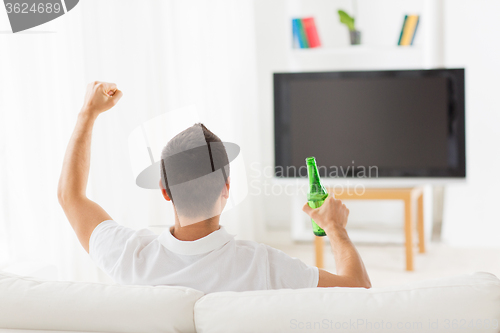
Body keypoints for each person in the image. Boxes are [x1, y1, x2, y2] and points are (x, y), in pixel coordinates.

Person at [57, 81, 371, 293]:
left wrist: (89, 113)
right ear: (227, 188)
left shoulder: (127, 256)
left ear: (164, 190)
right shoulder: (263, 266)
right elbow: (358, 290)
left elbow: (70, 196)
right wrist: (334, 227)